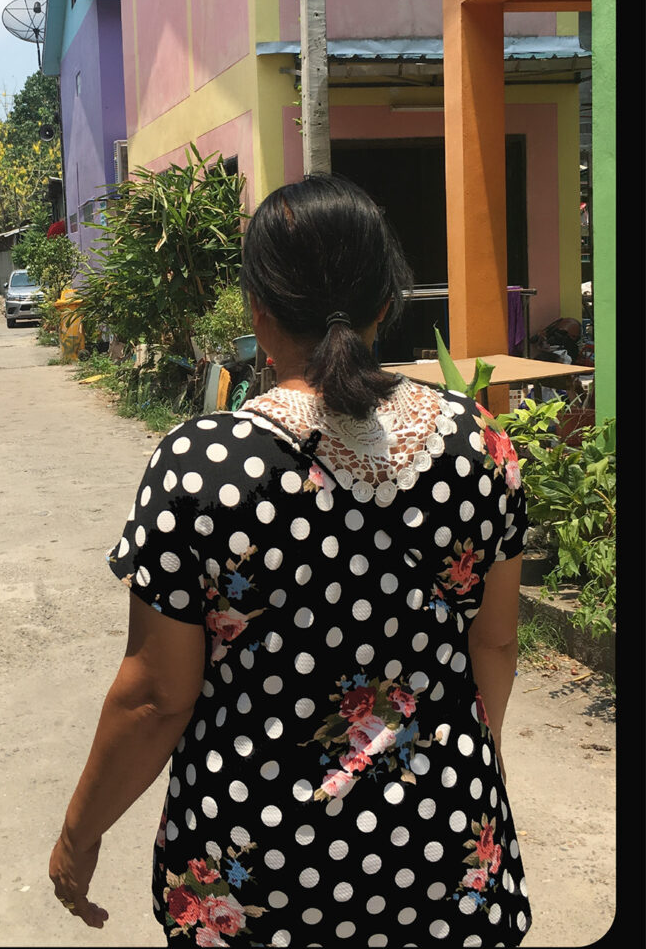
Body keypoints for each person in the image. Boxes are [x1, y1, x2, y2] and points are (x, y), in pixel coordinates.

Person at [49, 173, 531, 945]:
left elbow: (155, 699)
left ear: (258, 311)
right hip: (444, 854)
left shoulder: (201, 465)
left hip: (262, 876)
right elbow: (496, 643)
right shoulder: (481, 443)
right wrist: (469, 770)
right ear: (385, 303)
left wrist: (78, 836)